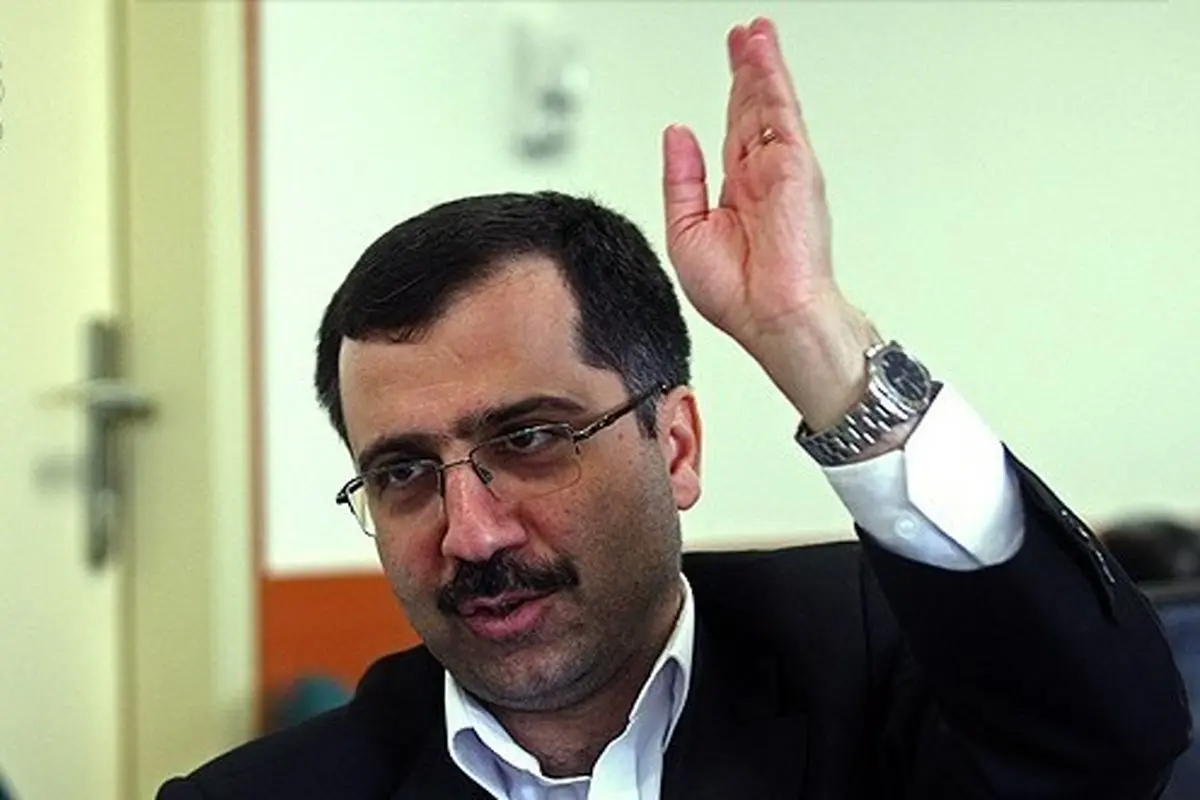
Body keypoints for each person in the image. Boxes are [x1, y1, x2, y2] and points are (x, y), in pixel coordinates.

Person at [159, 17, 1188, 800]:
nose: (470, 533)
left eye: (530, 438)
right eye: (403, 472)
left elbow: (1110, 741)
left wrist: (813, 336)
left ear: (679, 444)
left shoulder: (873, 661)